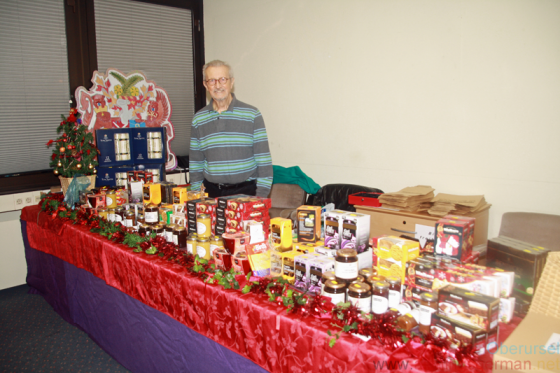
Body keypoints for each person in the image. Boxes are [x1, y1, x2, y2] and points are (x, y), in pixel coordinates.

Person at [189, 60, 273, 198]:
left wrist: (260, 199)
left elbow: (263, 162)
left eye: (223, 79)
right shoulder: (199, 119)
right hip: (211, 194)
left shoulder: (252, 114)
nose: (218, 85)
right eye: (212, 81)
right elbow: (196, 164)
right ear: (205, 84)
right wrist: (198, 196)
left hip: (247, 193)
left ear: (231, 82)